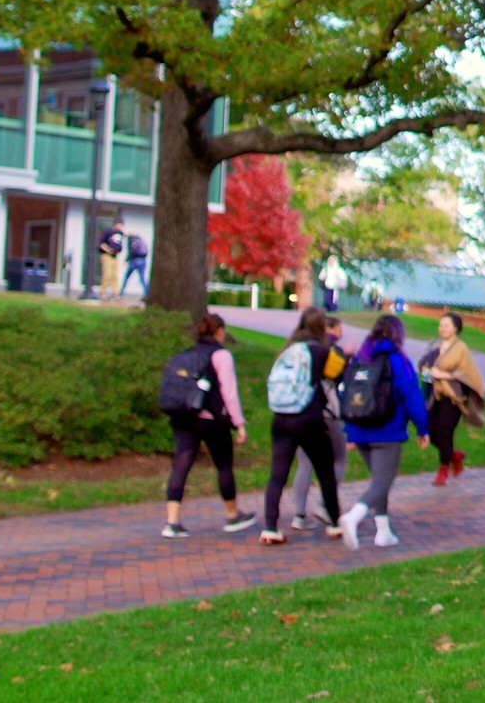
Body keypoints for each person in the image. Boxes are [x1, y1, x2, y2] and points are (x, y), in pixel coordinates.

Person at [338, 314, 430, 550]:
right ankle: (353, 516)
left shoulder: (360, 359)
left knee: (379, 481)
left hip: (359, 430)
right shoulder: (398, 361)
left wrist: (349, 429)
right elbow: (412, 397)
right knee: (382, 483)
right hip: (387, 432)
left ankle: (384, 531)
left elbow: (346, 395)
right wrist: (423, 428)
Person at [161, 313, 257, 537]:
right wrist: (239, 423)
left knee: (181, 464)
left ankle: (172, 521)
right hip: (210, 419)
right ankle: (232, 515)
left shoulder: (186, 354)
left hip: (183, 416)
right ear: (219, 331)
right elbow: (229, 393)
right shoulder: (221, 355)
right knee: (223, 465)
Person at [258, 309, 347, 545]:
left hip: (281, 416)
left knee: (278, 474)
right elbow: (336, 374)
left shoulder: (288, 350)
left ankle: (270, 527)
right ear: (321, 327)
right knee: (325, 470)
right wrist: (345, 356)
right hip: (308, 417)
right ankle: (335, 523)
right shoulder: (319, 351)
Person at [288, 316, 348, 532]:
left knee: (305, 464)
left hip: (300, 412)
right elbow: (338, 377)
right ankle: (325, 505)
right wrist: (348, 357)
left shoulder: (297, 349)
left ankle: (298, 514)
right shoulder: (331, 350)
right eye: (339, 327)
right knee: (338, 459)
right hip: (327, 413)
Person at [417, 311, 485, 485]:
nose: (442, 328)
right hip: (435, 395)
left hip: (454, 397)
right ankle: (454, 455)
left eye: (446, 325)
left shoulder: (461, 349)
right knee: (430, 431)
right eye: (441, 325)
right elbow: (425, 367)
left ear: (455, 328)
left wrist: (444, 375)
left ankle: (443, 471)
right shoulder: (434, 347)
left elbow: (466, 373)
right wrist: (427, 373)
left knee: (445, 432)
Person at [95, 216, 125, 300]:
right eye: (119, 225)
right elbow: (101, 244)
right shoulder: (108, 232)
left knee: (115, 275)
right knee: (107, 274)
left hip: (115, 255)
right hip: (107, 255)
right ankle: (103, 292)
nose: (120, 227)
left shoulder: (120, 233)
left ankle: (116, 293)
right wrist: (108, 250)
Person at [119, 227, 149, 299]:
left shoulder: (131, 240)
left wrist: (126, 261)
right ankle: (147, 293)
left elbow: (130, 252)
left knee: (127, 277)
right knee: (142, 278)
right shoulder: (139, 239)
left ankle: (121, 293)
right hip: (143, 260)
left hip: (134, 260)